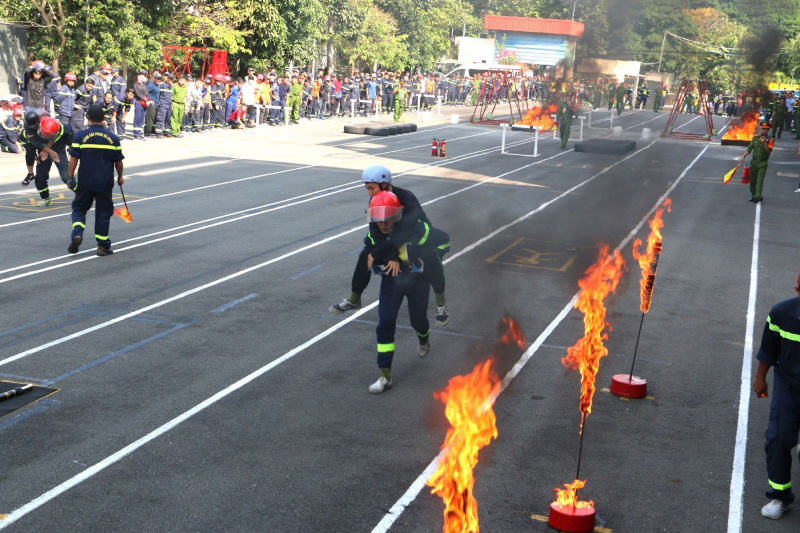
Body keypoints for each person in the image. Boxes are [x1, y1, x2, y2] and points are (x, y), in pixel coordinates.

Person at [330, 164, 450, 325]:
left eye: (371, 188)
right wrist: (382, 254)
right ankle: (354, 299)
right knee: (366, 254)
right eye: (367, 189)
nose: (369, 192)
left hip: (416, 235)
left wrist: (395, 258)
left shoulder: (407, 198)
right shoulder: (375, 198)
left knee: (430, 257)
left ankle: (440, 303)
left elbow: (407, 231)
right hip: (392, 236)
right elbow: (375, 230)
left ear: (384, 184)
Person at [364, 190, 450, 394]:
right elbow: (370, 251)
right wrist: (375, 263)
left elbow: (444, 240)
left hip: (417, 281)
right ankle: (385, 375)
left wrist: (428, 259)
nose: (383, 224)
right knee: (385, 324)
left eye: (388, 218)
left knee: (417, 320)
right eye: (378, 219)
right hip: (391, 282)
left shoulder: (418, 229)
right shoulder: (376, 232)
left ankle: (423, 337)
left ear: (398, 215)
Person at [753, 273, 800, 519]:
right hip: (788, 387)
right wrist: (760, 378)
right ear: (797, 290)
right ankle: (780, 496)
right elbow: (769, 349)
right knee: (778, 438)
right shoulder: (780, 313)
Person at [67, 103, 124, 257]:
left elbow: (73, 159)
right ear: (104, 118)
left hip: (85, 181)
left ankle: (77, 234)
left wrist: (70, 176)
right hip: (104, 182)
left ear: (88, 118)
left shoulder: (80, 136)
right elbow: (118, 161)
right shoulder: (113, 138)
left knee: (79, 208)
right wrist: (120, 176)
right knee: (103, 213)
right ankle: (103, 246)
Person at [19, 112, 73, 207]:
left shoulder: (49, 122)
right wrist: (45, 151)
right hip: (43, 149)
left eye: (35, 126)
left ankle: (83, 195)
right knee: (40, 177)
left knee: (66, 177)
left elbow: (54, 135)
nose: (33, 128)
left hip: (57, 146)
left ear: (39, 121)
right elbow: (34, 142)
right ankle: (46, 199)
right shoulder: (28, 127)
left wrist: (50, 151)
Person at [738, 122, 773, 204]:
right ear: (761, 129)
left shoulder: (770, 140)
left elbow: (769, 150)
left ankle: (758, 196)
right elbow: (749, 148)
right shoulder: (756, 138)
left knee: (760, 180)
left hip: (763, 162)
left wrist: (765, 143)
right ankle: (753, 195)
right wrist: (743, 156)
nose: (764, 130)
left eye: (766, 129)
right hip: (754, 162)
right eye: (763, 129)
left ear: (768, 130)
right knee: (753, 180)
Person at [132, 70, 152, 140]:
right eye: (140, 77)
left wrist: (148, 101)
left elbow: (147, 94)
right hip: (138, 102)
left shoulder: (145, 86)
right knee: (137, 117)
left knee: (142, 118)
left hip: (144, 103)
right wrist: (145, 100)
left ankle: (140, 132)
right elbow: (138, 94)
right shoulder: (135, 85)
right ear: (137, 77)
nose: (141, 79)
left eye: (142, 77)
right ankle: (136, 134)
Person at [155, 73, 173, 138]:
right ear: (167, 79)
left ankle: (167, 132)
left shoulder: (171, 86)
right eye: (170, 79)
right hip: (163, 104)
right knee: (161, 118)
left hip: (169, 105)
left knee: (168, 119)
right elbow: (158, 95)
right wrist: (159, 103)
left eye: (172, 79)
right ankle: (158, 132)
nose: (171, 80)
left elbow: (171, 96)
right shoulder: (162, 85)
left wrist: (171, 104)